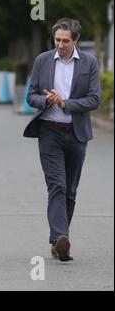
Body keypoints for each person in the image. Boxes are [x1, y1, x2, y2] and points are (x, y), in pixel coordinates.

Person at [24, 18, 100, 262]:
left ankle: (58, 243)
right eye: (57, 40)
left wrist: (66, 103)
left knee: (70, 190)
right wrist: (47, 100)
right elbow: (31, 95)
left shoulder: (89, 63)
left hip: (76, 134)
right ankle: (60, 237)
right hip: (49, 132)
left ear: (75, 40)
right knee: (56, 184)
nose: (60, 45)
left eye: (65, 41)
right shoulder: (43, 61)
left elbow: (94, 99)